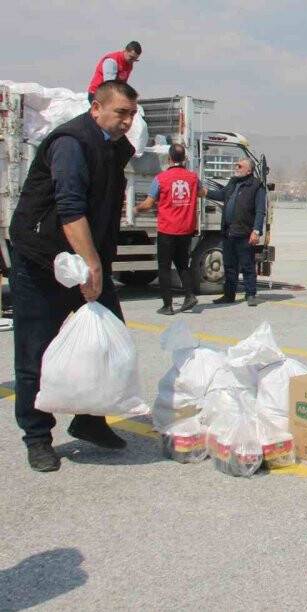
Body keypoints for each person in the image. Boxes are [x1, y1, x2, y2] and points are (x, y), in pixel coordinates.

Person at [9, 81, 139, 472]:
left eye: (132, 114)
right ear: (96, 108)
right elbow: (70, 208)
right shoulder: (71, 143)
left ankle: (90, 420)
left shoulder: (114, 148)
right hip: (43, 261)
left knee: (106, 341)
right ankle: (37, 437)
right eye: (121, 113)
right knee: (36, 352)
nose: (127, 121)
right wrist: (93, 265)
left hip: (83, 258)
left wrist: (98, 262)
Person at [136, 143, 206, 315]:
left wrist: (135, 209)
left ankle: (167, 305)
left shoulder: (160, 178)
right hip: (186, 230)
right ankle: (189, 295)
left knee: (164, 267)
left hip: (167, 230)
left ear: (169, 158)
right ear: (185, 159)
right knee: (182, 264)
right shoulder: (193, 178)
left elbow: (148, 204)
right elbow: (202, 192)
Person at [205, 159, 266, 307]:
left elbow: (260, 211)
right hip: (228, 231)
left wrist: (256, 231)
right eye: (236, 165)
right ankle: (229, 295)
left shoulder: (256, 186)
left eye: (240, 166)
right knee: (229, 266)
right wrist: (205, 193)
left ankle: (250, 294)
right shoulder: (233, 182)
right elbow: (222, 195)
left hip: (244, 232)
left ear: (249, 170)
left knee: (247, 265)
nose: (236, 167)